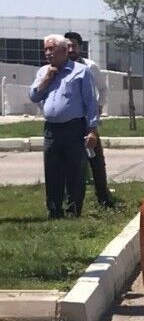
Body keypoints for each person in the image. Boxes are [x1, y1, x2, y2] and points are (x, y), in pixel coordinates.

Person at [29, 35, 99, 218]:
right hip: (51, 129)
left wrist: (92, 130)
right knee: (52, 170)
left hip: (74, 127)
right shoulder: (43, 71)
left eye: (51, 49)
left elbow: (90, 102)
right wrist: (47, 78)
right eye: (45, 49)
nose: (47, 53)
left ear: (63, 50)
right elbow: (34, 96)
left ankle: (73, 211)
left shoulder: (81, 72)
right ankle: (54, 210)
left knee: (75, 170)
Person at [66, 31, 114, 207]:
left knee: (96, 161)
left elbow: (103, 88)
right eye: (67, 46)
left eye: (74, 46)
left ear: (80, 47)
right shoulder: (60, 67)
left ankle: (103, 198)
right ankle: (70, 200)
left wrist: (99, 107)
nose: (71, 49)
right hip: (68, 122)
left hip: (87, 122)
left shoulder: (90, 66)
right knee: (69, 163)